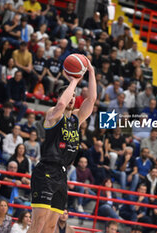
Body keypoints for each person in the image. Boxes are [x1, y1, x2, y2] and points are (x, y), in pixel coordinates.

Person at [28, 58, 96, 233]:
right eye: (69, 96)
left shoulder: (76, 119)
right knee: (38, 223)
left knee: (51, 226)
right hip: (46, 171)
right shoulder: (52, 114)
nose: (72, 99)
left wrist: (91, 72)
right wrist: (73, 81)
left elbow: (92, 99)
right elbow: (60, 105)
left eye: (74, 96)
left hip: (62, 173)